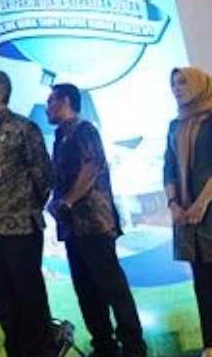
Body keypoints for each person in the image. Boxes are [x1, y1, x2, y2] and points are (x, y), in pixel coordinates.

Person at [47, 83, 145, 357]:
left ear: (66, 101)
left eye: (52, 101)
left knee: (112, 287)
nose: (48, 107)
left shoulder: (85, 130)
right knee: (85, 289)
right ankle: (104, 344)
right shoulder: (60, 136)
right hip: (71, 227)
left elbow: (92, 166)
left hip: (94, 223)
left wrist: (68, 200)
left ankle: (134, 346)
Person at [0, 69, 56, 357]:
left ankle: (42, 350)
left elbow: (44, 174)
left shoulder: (24, 128)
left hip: (21, 226)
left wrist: (26, 205)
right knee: (2, 297)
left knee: (29, 295)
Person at [164, 67, 212, 356]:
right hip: (187, 217)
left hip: (208, 209)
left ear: (199, 84)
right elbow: (168, 167)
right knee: (203, 284)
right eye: (173, 84)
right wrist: (173, 203)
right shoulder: (175, 126)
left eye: (182, 82)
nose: (177, 88)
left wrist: (202, 202)